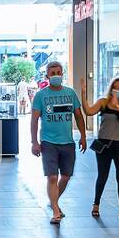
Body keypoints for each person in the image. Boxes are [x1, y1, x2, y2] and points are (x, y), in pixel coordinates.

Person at [30, 60, 86, 225]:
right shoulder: (41, 95)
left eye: (58, 73)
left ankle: (53, 201)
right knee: (52, 177)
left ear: (62, 74)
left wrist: (83, 136)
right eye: (52, 73)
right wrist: (34, 142)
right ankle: (55, 210)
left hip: (67, 142)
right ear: (47, 75)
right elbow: (34, 120)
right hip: (48, 142)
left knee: (66, 176)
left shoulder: (70, 94)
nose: (55, 76)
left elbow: (78, 115)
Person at [81, 76, 119, 222]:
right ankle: (96, 204)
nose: (117, 91)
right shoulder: (103, 102)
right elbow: (89, 111)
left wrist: (117, 106)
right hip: (104, 144)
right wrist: (83, 94)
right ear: (111, 88)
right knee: (102, 175)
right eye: (115, 87)